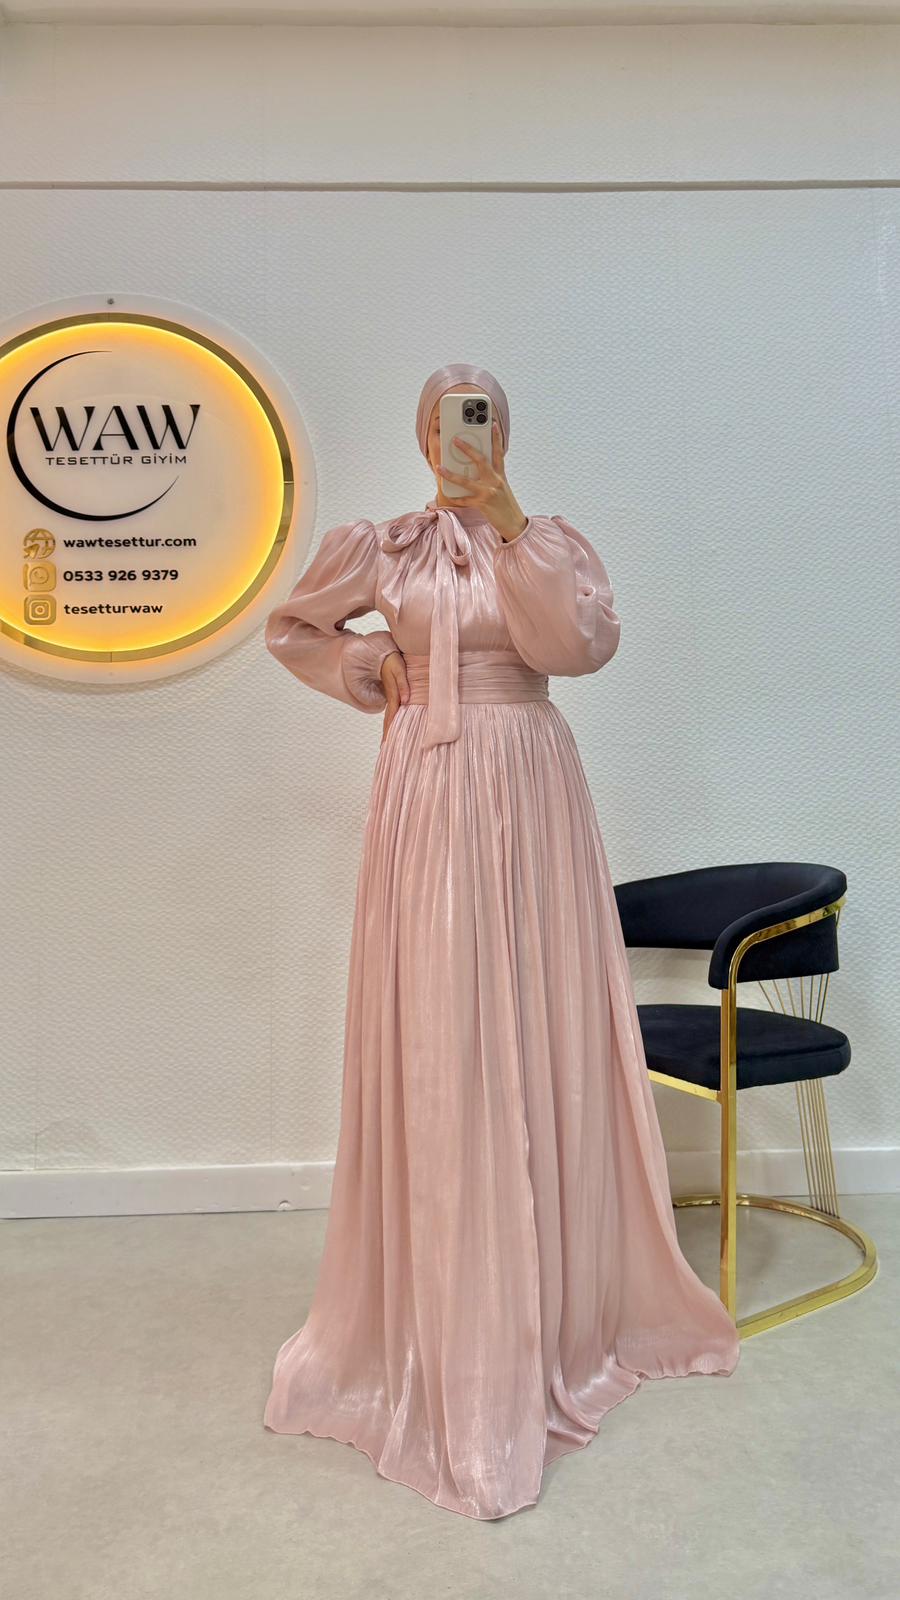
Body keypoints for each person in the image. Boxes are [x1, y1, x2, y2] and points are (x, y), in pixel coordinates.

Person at [262, 363, 740, 1521]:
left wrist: (511, 517)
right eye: (444, 423)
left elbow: (578, 647)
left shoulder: (546, 545)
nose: (458, 439)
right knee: (442, 1025)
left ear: (501, 435)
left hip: (532, 784)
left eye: (478, 422)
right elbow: (292, 628)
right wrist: (373, 666)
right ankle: (445, 1313)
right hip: (428, 788)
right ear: (422, 435)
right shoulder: (382, 548)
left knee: (534, 1017)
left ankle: (556, 1309)